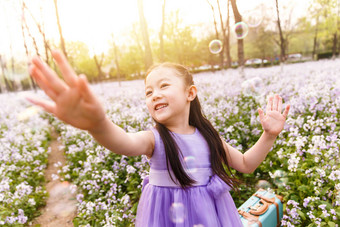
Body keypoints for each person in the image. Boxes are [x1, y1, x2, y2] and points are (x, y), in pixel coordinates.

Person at [28, 50, 290, 226]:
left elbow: (245, 164)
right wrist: (98, 124)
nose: (154, 95)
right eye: (148, 91)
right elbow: (122, 142)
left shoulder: (209, 136)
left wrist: (268, 135)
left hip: (210, 215)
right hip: (165, 217)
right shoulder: (154, 139)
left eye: (164, 86)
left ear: (190, 93)